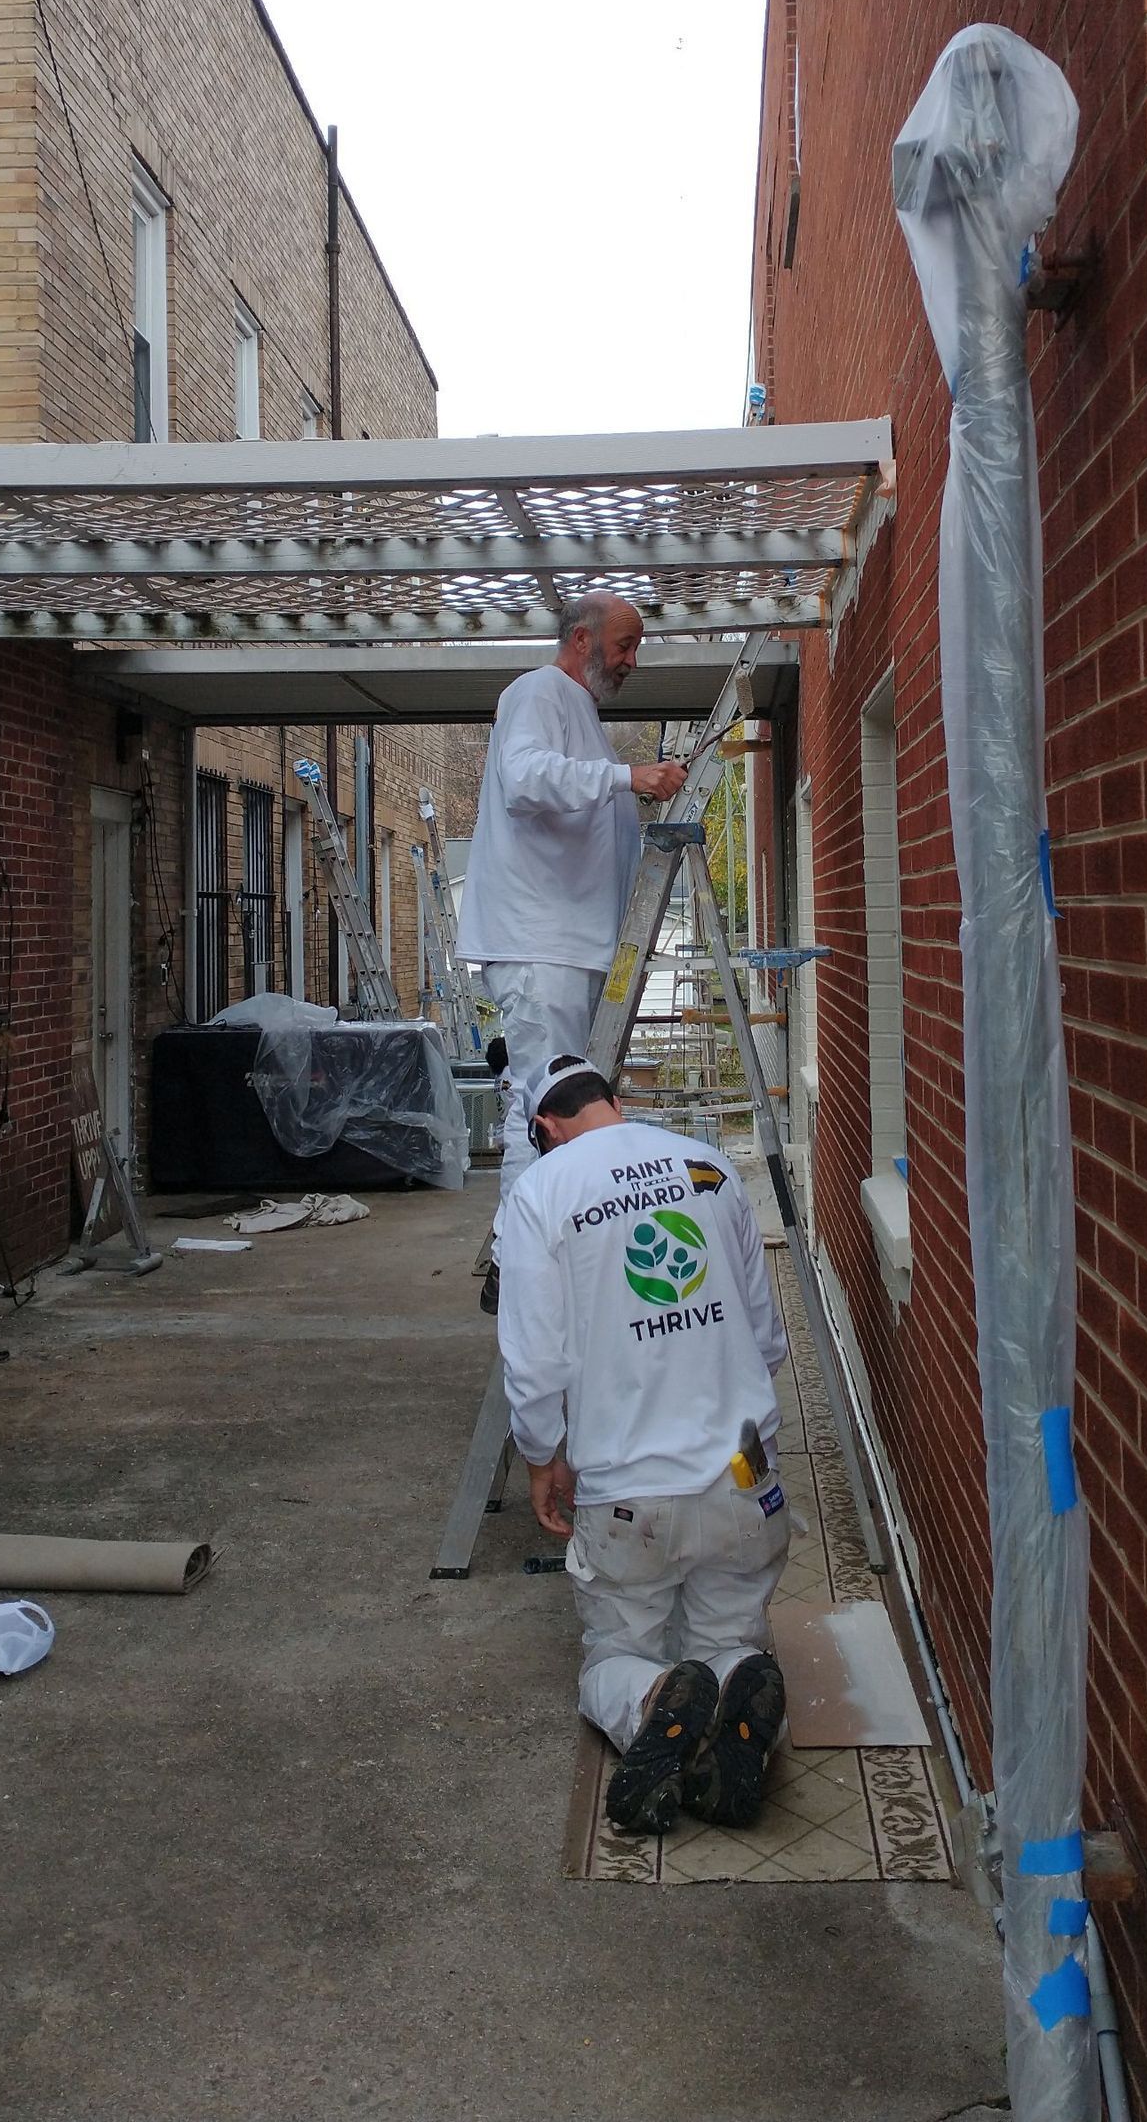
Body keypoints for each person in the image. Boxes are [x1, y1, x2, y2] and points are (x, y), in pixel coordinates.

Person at [497, 1053, 792, 1836]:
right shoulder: (708, 1167)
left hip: (632, 1494)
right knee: (728, 1638)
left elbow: (535, 1361)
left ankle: (652, 1700)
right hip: (746, 1477)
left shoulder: (543, 1191)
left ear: (545, 1127)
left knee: (616, 1653)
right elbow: (766, 1338)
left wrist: (541, 1456)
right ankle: (741, 1696)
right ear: (613, 1102)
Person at [456, 593, 685, 1306]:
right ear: (582, 640)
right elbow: (526, 780)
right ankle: (516, 1267)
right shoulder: (538, 692)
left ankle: (537, 1257)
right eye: (624, 645)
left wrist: (629, 790)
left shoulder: (580, 711)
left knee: (554, 1101)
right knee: (545, 1106)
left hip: (568, 944)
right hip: (540, 942)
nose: (631, 661)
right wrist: (627, 777)